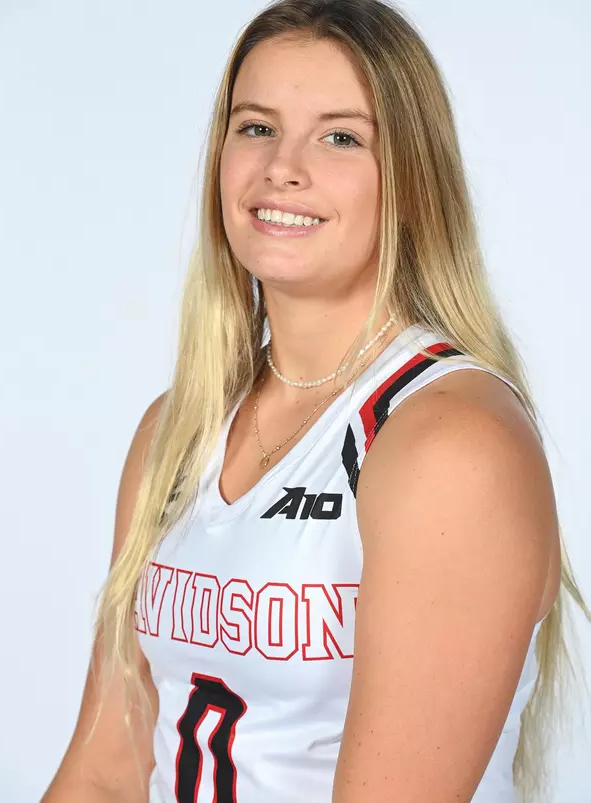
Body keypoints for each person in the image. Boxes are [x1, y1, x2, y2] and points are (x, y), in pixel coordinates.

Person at [42, 1, 590, 802]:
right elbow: (103, 773)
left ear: (412, 173)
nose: (281, 169)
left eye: (340, 136)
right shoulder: (176, 428)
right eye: (255, 127)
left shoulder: (450, 440)